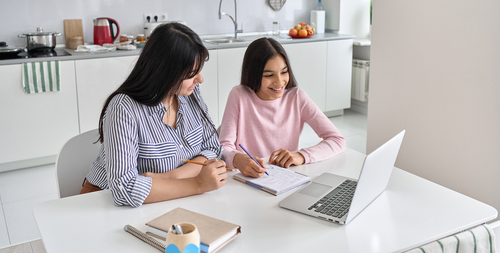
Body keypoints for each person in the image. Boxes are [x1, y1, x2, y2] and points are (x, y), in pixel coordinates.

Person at [80, 23, 227, 207]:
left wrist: (171, 177)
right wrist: (197, 183)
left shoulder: (190, 93)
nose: (200, 79)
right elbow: (124, 189)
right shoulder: (124, 108)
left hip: (168, 200)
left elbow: (213, 148)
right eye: (191, 73)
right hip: (103, 204)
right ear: (165, 72)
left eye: (199, 70)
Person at [219, 37, 346, 178]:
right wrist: (237, 159)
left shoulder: (296, 97)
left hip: (285, 178)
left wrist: (302, 156)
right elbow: (224, 146)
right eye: (269, 75)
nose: (279, 82)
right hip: (246, 178)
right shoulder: (239, 95)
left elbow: (337, 140)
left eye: (284, 72)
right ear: (254, 74)